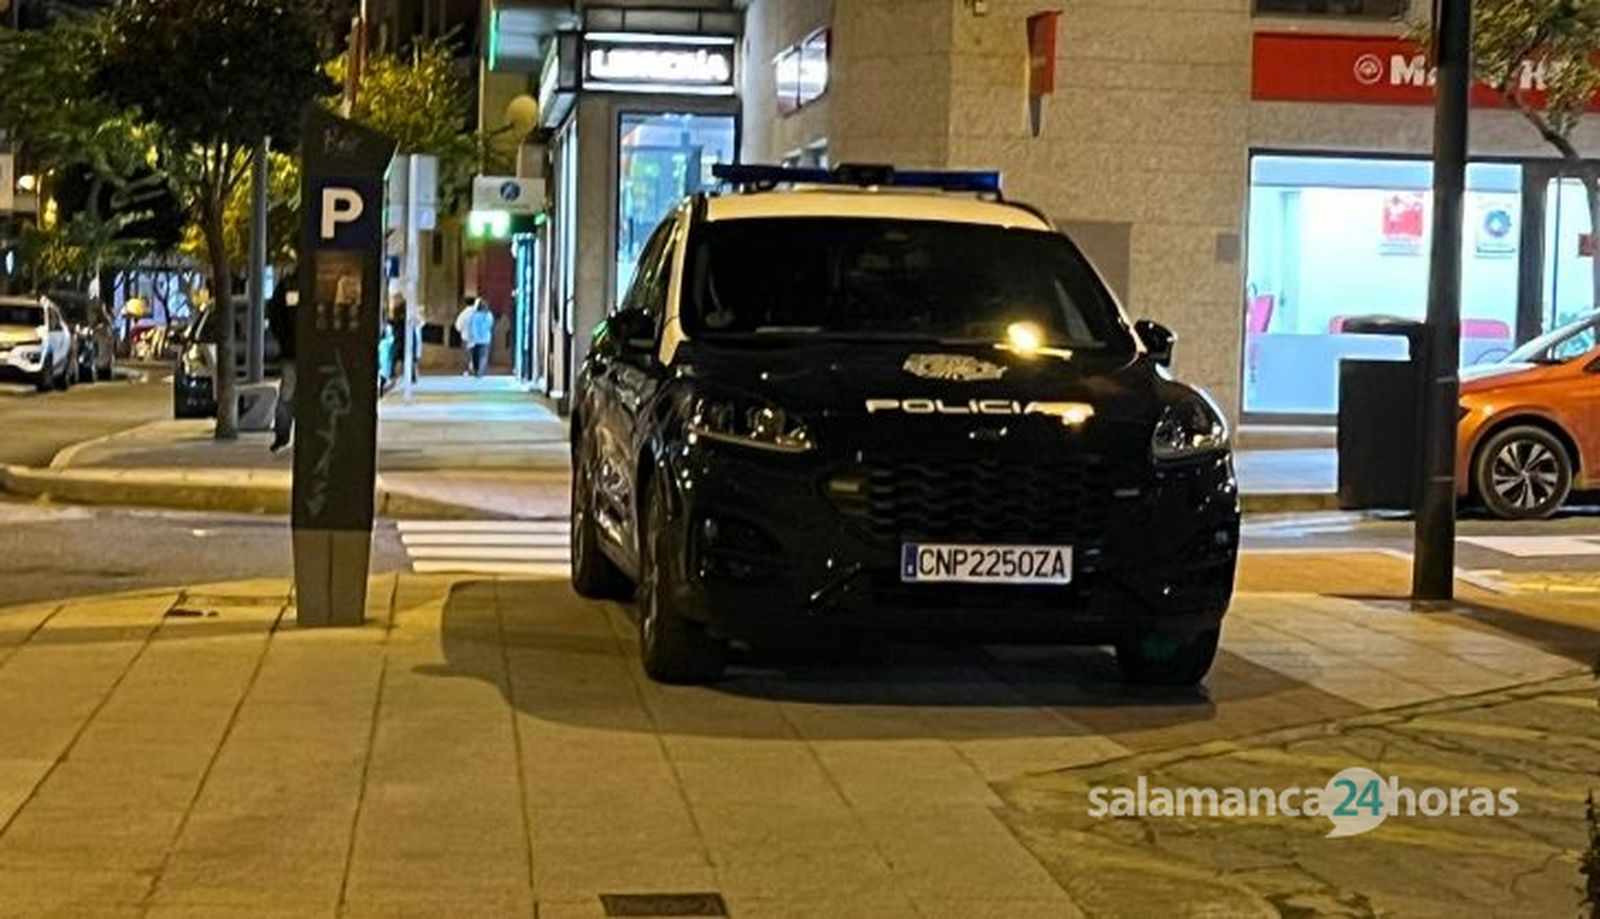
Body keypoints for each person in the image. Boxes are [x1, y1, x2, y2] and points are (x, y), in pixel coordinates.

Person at [266, 270, 298, 453]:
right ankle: (283, 434)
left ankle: (282, 435)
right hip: (294, 351)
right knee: (289, 394)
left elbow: (274, 314)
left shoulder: (288, 284)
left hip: (292, 351)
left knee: (288, 395)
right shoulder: (289, 284)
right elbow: (274, 314)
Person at [465, 298, 495, 377]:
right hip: (486, 340)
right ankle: (480, 372)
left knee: (475, 356)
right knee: (483, 356)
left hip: (476, 340)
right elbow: (490, 325)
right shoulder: (489, 315)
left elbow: (473, 327)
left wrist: (474, 336)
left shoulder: (475, 315)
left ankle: (476, 370)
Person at [452, 297, 477, 375]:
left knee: (467, 354)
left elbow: (458, 325)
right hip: (477, 337)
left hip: (466, 336)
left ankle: (467, 370)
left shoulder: (464, 313)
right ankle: (475, 369)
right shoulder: (478, 312)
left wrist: (461, 330)